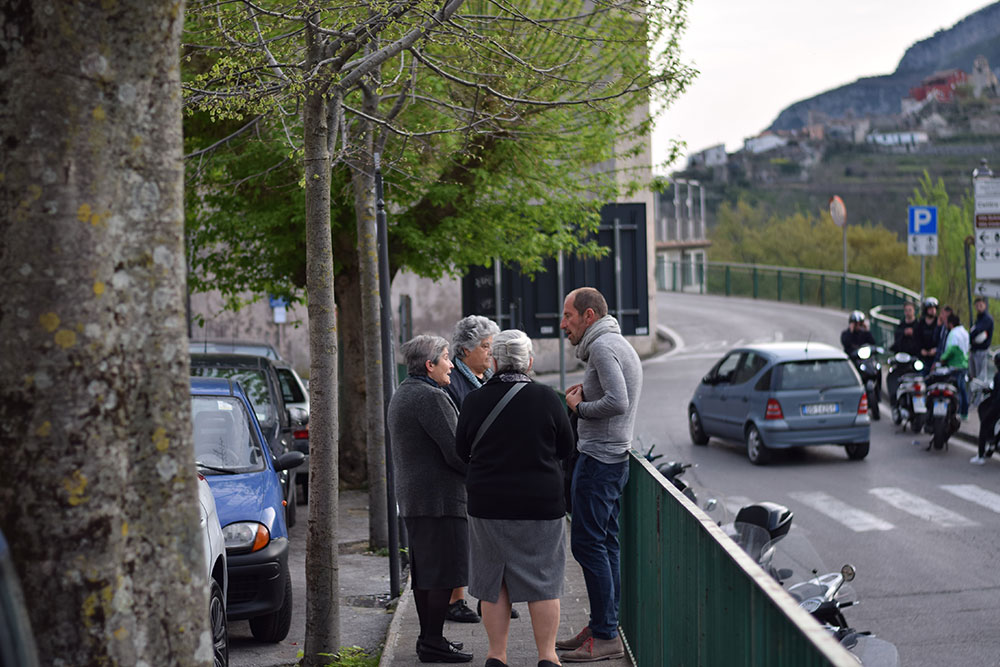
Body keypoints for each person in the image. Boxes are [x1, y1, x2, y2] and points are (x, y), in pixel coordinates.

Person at [455, 329, 574, 667]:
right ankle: (548, 656)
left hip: (488, 504)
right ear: (530, 363)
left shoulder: (474, 401)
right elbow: (566, 449)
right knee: (544, 580)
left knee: (493, 581)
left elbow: (461, 450)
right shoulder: (549, 399)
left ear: (493, 363)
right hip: (541, 504)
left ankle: (497, 655)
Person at [556, 287, 642, 663]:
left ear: (588, 316)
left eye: (568, 316)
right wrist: (585, 399)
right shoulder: (613, 343)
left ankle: (606, 635)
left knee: (589, 545)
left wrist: (580, 406)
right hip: (611, 459)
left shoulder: (604, 347)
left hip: (599, 461)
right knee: (604, 544)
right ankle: (602, 625)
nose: (563, 324)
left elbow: (618, 401)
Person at [386, 335, 473, 663]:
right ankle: (433, 642)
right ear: (429, 364)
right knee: (441, 574)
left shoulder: (404, 393)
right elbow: (456, 452)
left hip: (416, 499)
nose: (451, 364)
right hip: (440, 501)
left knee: (426, 574)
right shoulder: (430, 398)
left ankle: (430, 640)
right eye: (447, 358)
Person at [443, 315, 513, 624]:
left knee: (488, 538)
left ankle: (492, 599)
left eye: (492, 346)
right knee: (462, 538)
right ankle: (455, 599)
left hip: (486, 469)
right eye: (485, 346)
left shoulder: (483, 378)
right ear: (464, 351)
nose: (491, 352)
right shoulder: (454, 381)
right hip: (463, 470)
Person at [888, 301, 921, 407]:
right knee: (892, 377)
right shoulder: (901, 325)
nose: (908, 313)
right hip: (902, 359)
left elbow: (922, 340)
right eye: (906, 310)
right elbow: (896, 339)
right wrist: (903, 334)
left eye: (910, 310)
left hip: (914, 359)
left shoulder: (918, 325)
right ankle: (895, 402)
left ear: (914, 311)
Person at [938, 312, 970, 420]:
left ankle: (958, 412)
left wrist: (943, 358)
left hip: (955, 365)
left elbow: (951, 349)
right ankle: (964, 412)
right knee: (963, 389)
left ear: (950, 324)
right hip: (964, 365)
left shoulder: (954, 333)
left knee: (956, 390)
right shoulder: (964, 332)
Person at [973, 351, 1000, 464]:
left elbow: (996, 394)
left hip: (997, 405)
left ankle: (980, 456)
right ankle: (992, 445)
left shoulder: (998, 376)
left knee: (984, 424)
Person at [969, 296, 994, 385]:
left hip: (982, 352)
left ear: (985, 305)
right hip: (974, 350)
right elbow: (973, 332)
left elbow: (978, 330)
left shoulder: (987, 319)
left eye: (980, 305)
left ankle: (980, 398)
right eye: (977, 305)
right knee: (973, 377)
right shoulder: (979, 318)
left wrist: (972, 333)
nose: (978, 307)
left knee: (980, 379)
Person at [914, 297, 941, 370]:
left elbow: (942, 339)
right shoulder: (921, 323)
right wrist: (921, 350)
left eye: (934, 308)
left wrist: (936, 349)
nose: (932, 311)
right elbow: (917, 339)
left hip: (935, 358)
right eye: (930, 308)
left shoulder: (939, 323)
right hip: (923, 359)